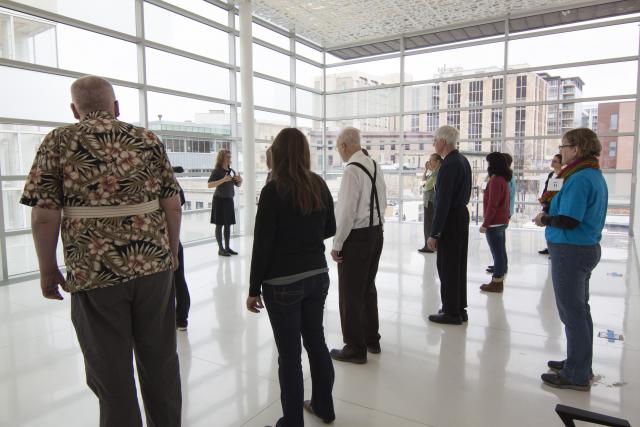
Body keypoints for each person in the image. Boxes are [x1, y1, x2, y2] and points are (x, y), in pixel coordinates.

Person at [20, 75, 182, 426]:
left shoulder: (59, 140)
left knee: (111, 373)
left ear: (75, 110)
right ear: (116, 107)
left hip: (95, 270)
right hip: (153, 265)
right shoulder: (147, 138)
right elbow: (172, 205)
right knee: (161, 362)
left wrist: (47, 270)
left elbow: (44, 216)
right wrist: (170, 253)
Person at [246, 128, 336, 427]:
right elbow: (330, 228)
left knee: (289, 355)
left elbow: (263, 243)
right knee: (316, 342)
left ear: (277, 153)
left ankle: (293, 421)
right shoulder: (319, 183)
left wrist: (253, 288)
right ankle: (324, 407)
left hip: (283, 283)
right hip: (317, 275)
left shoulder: (273, 189)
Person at [534, 128, 607, 391]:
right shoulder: (590, 174)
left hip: (571, 250)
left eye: (564, 146)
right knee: (579, 311)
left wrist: (544, 219)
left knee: (572, 313)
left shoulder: (578, 179)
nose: (560, 150)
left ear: (576, 149)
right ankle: (579, 363)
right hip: (583, 248)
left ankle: (576, 374)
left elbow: (569, 220)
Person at [330, 127, 386, 364]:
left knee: (350, 294)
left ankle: (354, 347)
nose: (339, 153)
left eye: (337, 148)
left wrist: (337, 243)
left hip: (358, 238)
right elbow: (382, 199)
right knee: (367, 288)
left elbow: (345, 211)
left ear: (344, 146)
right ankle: (372, 339)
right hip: (375, 233)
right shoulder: (374, 165)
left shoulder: (352, 170)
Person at [426, 125, 472, 325]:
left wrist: (434, 233)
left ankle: (450, 311)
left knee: (447, 265)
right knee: (457, 264)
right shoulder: (462, 160)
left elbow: (443, 201)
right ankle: (459, 308)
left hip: (450, 218)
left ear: (443, 142)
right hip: (460, 214)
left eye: (435, 140)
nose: (434, 143)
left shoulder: (448, 164)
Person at [479, 152, 512, 293]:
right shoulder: (503, 179)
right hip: (502, 221)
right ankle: (502, 271)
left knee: (497, 253)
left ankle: (497, 282)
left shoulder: (496, 180)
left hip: (494, 223)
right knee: (501, 251)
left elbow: (492, 205)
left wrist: (485, 224)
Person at [208, 149, 242, 256]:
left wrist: (240, 180)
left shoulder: (231, 171)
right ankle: (220, 249)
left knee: (228, 225)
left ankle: (227, 248)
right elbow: (209, 185)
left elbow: (238, 185)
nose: (230, 158)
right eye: (228, 156)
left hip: (229, 200)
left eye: (230, 156)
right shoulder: (217, 171)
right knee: (219, 225)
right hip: (219, 200)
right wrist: (223, 180)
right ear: (222, 158)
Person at [172, 166, 191, 331]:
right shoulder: (168, 180)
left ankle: (180, 318)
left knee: (176, 282)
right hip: (172, 240)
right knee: (178, 281)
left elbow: (177, 205)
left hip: (165, 241)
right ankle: (181, 319)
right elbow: (179, 203)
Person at [537, 153, 563, 255]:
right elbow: (547, 188)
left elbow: (558, 192)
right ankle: (549, 246)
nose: (552, 162)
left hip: (556, 204)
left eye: (555, 161)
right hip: (548, 203)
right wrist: (543, 199)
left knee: (554, 224)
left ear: (561, 164)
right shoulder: (551, 174)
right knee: (548, 225)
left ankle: (554, 248)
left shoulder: (563, 175)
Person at [418, 154, 442, 253]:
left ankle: (428, 246)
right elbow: (423, 181)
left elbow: (426, 186)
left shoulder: (436, 173)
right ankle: (432, 245)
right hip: (430, 202)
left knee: (428, 225)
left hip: (430, 202)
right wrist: (426, 170)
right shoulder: (433, 173)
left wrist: (424, 184)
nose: (429, 162)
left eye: (431, 160)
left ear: (437, 162)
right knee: (431, 224)